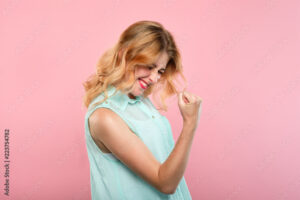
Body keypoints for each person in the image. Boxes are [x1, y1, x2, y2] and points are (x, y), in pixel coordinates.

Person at [82, 20, 202, 200]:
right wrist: (190, 123)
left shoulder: (140, 101)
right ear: (125, 54)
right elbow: (166, 183)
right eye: (150, 66)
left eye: (160, 71)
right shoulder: (105, 117)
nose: (154, 78)